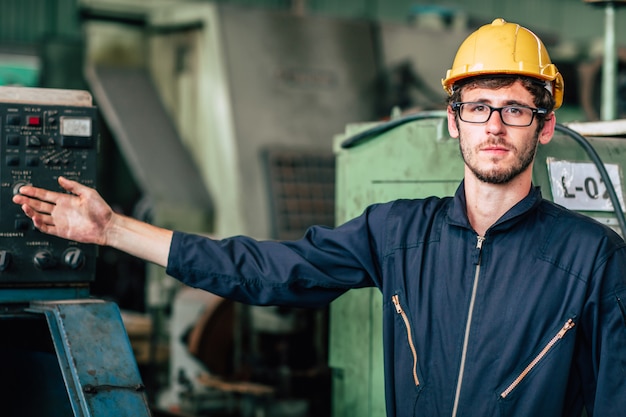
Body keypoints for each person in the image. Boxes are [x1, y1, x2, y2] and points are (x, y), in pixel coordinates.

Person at [12, 18, 626, 417]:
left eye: (516, 109)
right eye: (479, 106)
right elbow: (264, 270)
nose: (494, 125)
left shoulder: (591, 258)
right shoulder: (399, 234)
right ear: (452, 120)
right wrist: (112, 229)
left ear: (545, 127)